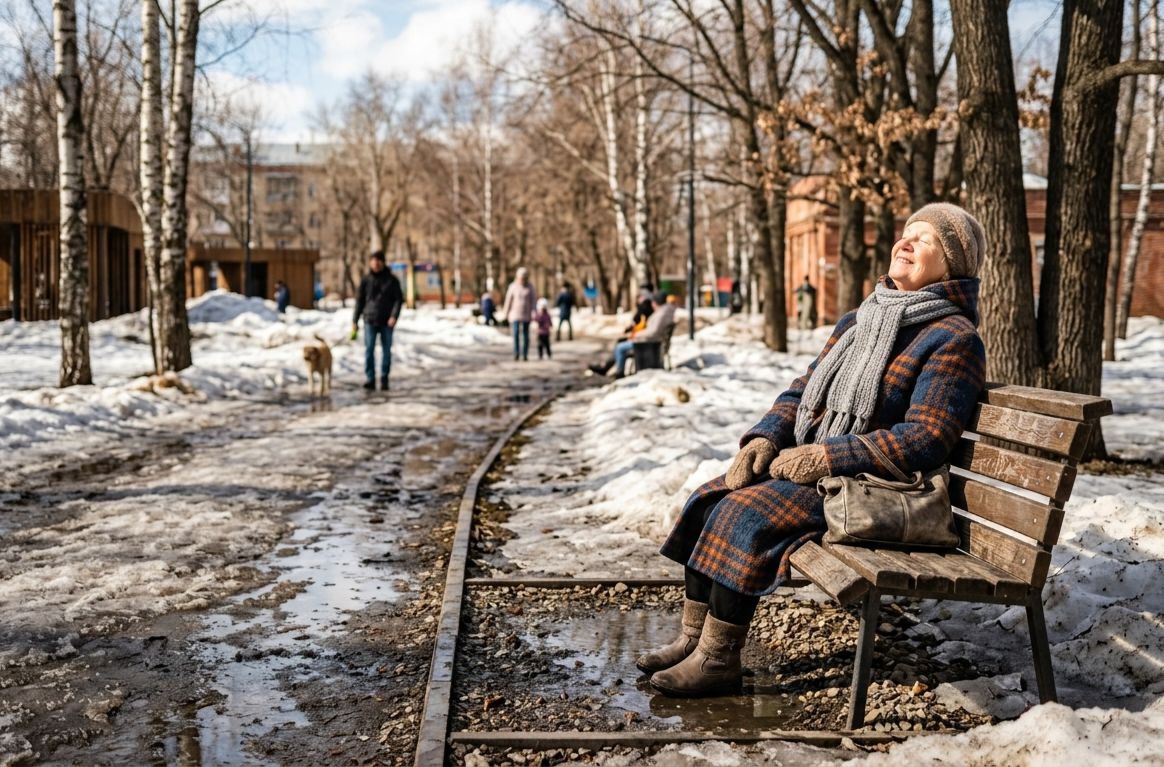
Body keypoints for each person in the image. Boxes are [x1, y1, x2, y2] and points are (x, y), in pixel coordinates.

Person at [637, 203, 988, 697]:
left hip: (867, 487)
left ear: (952, 264)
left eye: (925, 239)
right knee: (711, 497)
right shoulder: (858, 321)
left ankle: (718, 659)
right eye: (906, 233)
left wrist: (828, 457)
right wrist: (764, 438)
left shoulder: (953, 338)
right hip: (814, 468)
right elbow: (802, 391)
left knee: (744, 515)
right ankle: (694, 638)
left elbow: (926, 437)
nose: (905, 243)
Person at [589, 292, 677, 378]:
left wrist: (637, 335)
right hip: (651, 342)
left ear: (656, 302)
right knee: (621, 343)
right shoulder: (663, 313)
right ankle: (608, 367)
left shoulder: (660, 315)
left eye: (653, 302)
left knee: (620, 347)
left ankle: (619, 373)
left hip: (648, 344)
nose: (652, 304)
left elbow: (652, 332)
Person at [352, 251, 404, 391]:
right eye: (373, 260)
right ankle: (370, 378)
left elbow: (399, 300)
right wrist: (354, 321)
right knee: (369, 350)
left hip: (387, 321)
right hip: (369, 320)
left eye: (378, 260)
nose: (375, 263)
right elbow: (359, 301)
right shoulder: (366, 280)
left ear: (383, 262)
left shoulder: (392, 280)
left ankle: (384, 378)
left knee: (386, 351)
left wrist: (394, 316)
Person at [502, 267, 537, 361]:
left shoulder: (530, 287)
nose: (523, 280)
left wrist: (534, 311)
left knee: (526, 335)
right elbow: (508, 300)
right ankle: (516, 353)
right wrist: (505, 312)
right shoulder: (513, 286)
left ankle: (525, 354)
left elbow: (533, 300)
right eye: (521, 277)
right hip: (515, 314)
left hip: (526, 314)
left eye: (524, 278)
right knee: (516, 333)